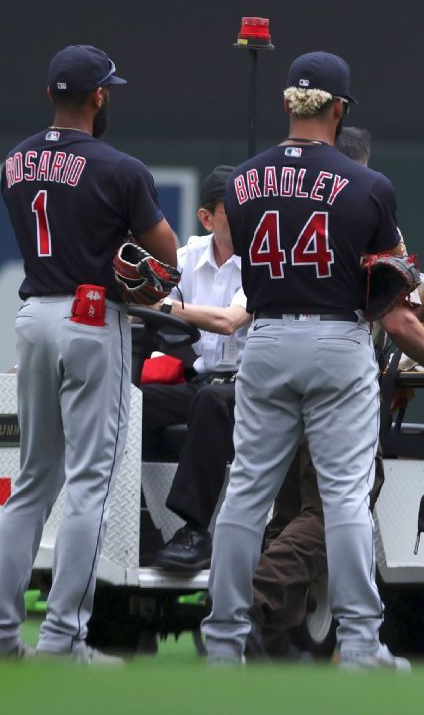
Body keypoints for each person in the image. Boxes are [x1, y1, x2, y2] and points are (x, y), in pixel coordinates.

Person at [199, 51, 424, 669]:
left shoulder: (242, 181)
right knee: (346, 497)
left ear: (286, 104)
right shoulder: (370, 187)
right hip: (336, 339)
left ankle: (222, 640)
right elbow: (391, 303)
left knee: (246, 493)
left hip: (267, 337)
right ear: (339, 108)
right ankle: (358, 644)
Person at [0, 45, 179, 663]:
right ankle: (63, 637)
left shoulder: (14, 161)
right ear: (99, 97)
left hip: (34, 313)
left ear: (49, 96)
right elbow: (164, 254)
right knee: (89, 483)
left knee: (31, 481)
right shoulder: (121, 169)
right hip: (93, 316)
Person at [247, 126, 378, 657]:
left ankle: (271, 635)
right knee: (331, 510)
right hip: (335, 372)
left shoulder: (269, 200)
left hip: (270, 360)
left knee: (285, 511)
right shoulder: (363, 206)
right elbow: (391, 305)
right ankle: (252, 601)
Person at [141, 164, 250, 570]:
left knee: (210, 399)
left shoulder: (263, 261)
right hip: (204, 383)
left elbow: (230, 320)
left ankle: (194, 530)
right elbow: (142, 301)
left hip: (252, 390)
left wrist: (165, 306)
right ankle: (139, 522)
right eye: (234, 208)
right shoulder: (185, 258)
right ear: (206, 217)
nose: (246, 216)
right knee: (124, 402)